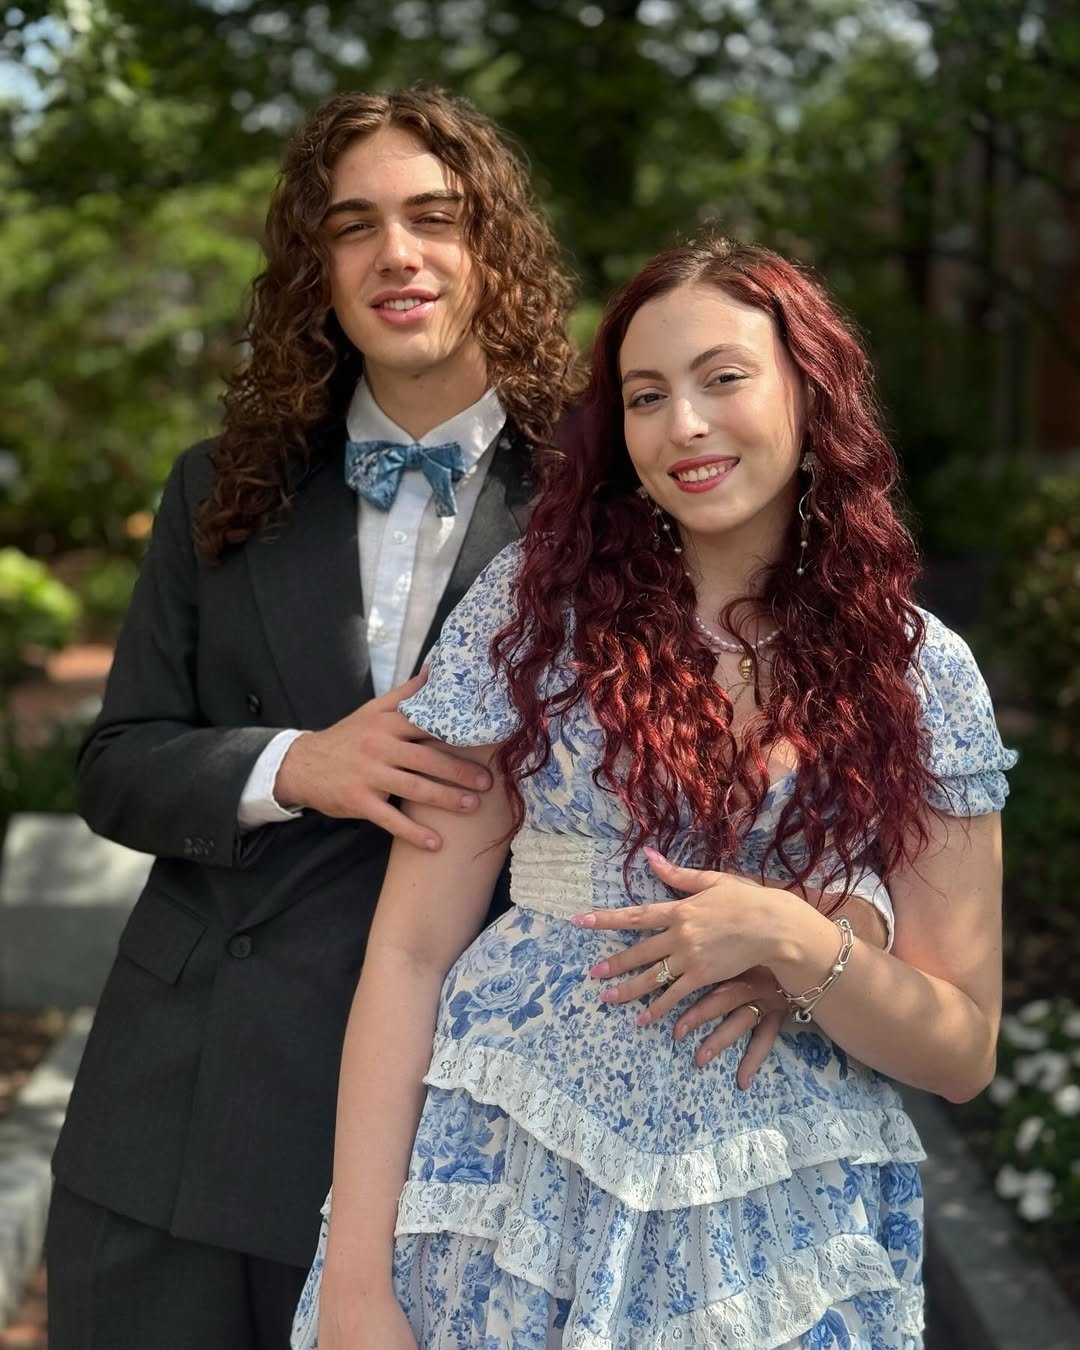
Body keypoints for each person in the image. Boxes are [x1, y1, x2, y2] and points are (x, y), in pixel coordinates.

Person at [291, 233, 1015, 1350]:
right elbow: (410, 953)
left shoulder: (922, 674)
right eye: (645, 396)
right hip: (507, 1194)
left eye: (723, 378)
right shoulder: (532, 619)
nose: (684, 425)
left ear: (811, 391)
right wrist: (353, 1285)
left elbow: (961, 1049)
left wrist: (796, 942)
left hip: (775, 1224)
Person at [45, 87, 580, 1350]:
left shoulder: (597, 505)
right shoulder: (221, 484)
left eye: (435, 217)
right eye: (354, 226)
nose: (397, 254)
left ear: (492, 247)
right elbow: (117, 764)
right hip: (179, 1108)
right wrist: (297, 764)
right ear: (316, 268)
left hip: (462, 1121)